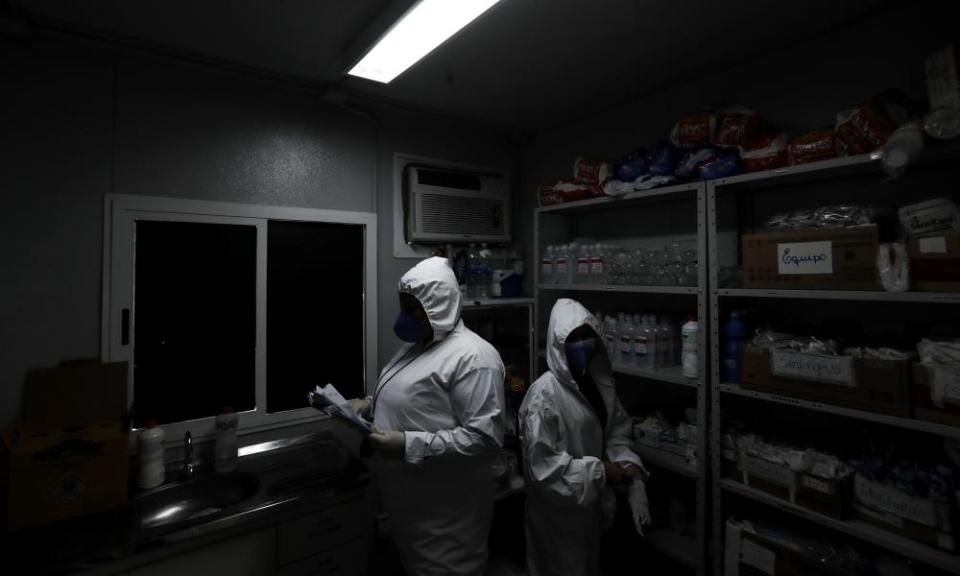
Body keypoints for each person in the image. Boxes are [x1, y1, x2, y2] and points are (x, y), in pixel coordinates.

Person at [349, 256, 506, 576]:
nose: (403, 316)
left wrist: (409, 445)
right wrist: (369, 403)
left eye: (412, 308)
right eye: (403, 305)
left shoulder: (473, 358)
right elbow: (414, 394)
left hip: (448, 521)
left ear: (439, 305)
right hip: (412, 508)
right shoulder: (420, 343)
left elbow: (484, 439)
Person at [520, 298, 647, 576]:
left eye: (586, 337)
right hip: (557, 520)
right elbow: (543, 472)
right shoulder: (544, 397)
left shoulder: (598, 382)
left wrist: (627, 462)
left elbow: (616, 432)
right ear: (557, 345)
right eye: (572, 339)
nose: (581, 345)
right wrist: (602, 472)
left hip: (590, 508)